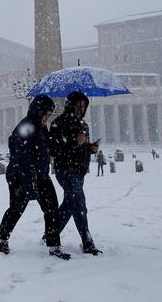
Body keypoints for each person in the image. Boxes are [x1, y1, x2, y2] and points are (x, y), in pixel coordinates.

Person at [0, 95, 70, 260]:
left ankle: (54, 247)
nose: (47, 118)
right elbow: (23, 159)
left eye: (50, 115)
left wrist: (66, 143)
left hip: (41, 175)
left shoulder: (41, 128)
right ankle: (2, 240)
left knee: (51, 208)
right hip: (19, 176)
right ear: (38, 111)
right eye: (46, 114)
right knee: (16, 208)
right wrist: (31, 185)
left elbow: (48, 149)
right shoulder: (25, 128)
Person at [49, 91, 102, 255]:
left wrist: (91, 148)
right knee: (79, 202)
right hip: (65, 170)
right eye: (79, 105)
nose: (81, 108)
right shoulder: (58, 123)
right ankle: (87, 241)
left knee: (69, 204)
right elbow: (54, 149)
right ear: (71, 105)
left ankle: (51, 233)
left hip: (80, 170)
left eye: (84, 105)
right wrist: (74, 141)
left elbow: (82, 147)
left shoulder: (84, 125)